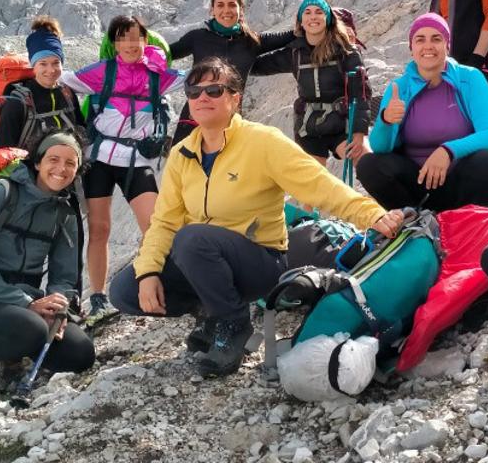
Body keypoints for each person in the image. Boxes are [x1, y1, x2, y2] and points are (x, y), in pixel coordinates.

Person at [108, 58, 403, 378]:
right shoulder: (182, 154)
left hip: (260, 261)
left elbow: (320, 186)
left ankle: (234, 324)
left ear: (235, 98)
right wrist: (149, 271)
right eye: (195, 91)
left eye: (214, 89)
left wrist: (370, 213)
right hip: (202, 257)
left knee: (192, 238)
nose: (202, 97)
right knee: (125, 289)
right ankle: (209, 310)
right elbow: (164, 222)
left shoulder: (262, 141)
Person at [0, 131, 96, 409]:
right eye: (53, 159)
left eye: (70, 163)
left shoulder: (64, 212)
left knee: (80, 353)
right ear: (38, 162)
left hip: (25, 310)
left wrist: (59, 307)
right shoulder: (0, 194)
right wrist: (28, 304)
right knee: (31, 328)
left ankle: (11, 357)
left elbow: (63, 275)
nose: (61, 169)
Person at [59, 16, 186, 327]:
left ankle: (162, 281)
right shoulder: (104, 71)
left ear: (145, 41)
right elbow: (65, 79)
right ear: (114, 43)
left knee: (156, 225)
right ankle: (99, 297)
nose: (130, 44)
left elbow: (197, 78)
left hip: (137, 161)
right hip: (99, 159)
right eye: (123, 38)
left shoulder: (158, 75)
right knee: (100, 228)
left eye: (136, 38)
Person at [356, 13, 488, 213]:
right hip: (418, 186)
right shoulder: (399, 88)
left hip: (463, 182)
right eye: (420, 40)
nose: (428, 46)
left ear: (447, 45)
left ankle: (471, 220)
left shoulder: (470, 78)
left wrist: (448, 151)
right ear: (412, 49)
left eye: (436, 39)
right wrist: (385, 120)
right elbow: (379, 148)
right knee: (368, 165)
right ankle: (413, 221)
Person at [251, 0, 370, 165]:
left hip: (342, 125)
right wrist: (239, 52)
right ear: (300, 20)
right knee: (310, 184)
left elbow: (361, 93)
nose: (313, 16)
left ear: (328, 18)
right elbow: (256, 66)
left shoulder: (346, 52)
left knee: (368, 164)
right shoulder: (294, 53)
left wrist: (359, 132)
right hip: (309, 129)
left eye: (319, 12)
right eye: (307, 12)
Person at [168, 0, 295, 145]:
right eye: (220, 5)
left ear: (240, 10)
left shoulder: (252, 41)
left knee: (227, 169)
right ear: (212, 10)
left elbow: (289, 36)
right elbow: (163, 54)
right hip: (193, 119)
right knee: (183, 167)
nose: (226, 10)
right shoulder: (197, 38)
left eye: (232, 5)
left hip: (230, 123)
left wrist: (316, 20)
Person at [0, 16, 85, 150]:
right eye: (43, 64)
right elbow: (3, 151)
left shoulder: (67, 93)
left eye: (56, 63)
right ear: (33, 66)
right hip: (29, 169)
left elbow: (81, 130)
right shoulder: (18, 101)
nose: (51, 70)